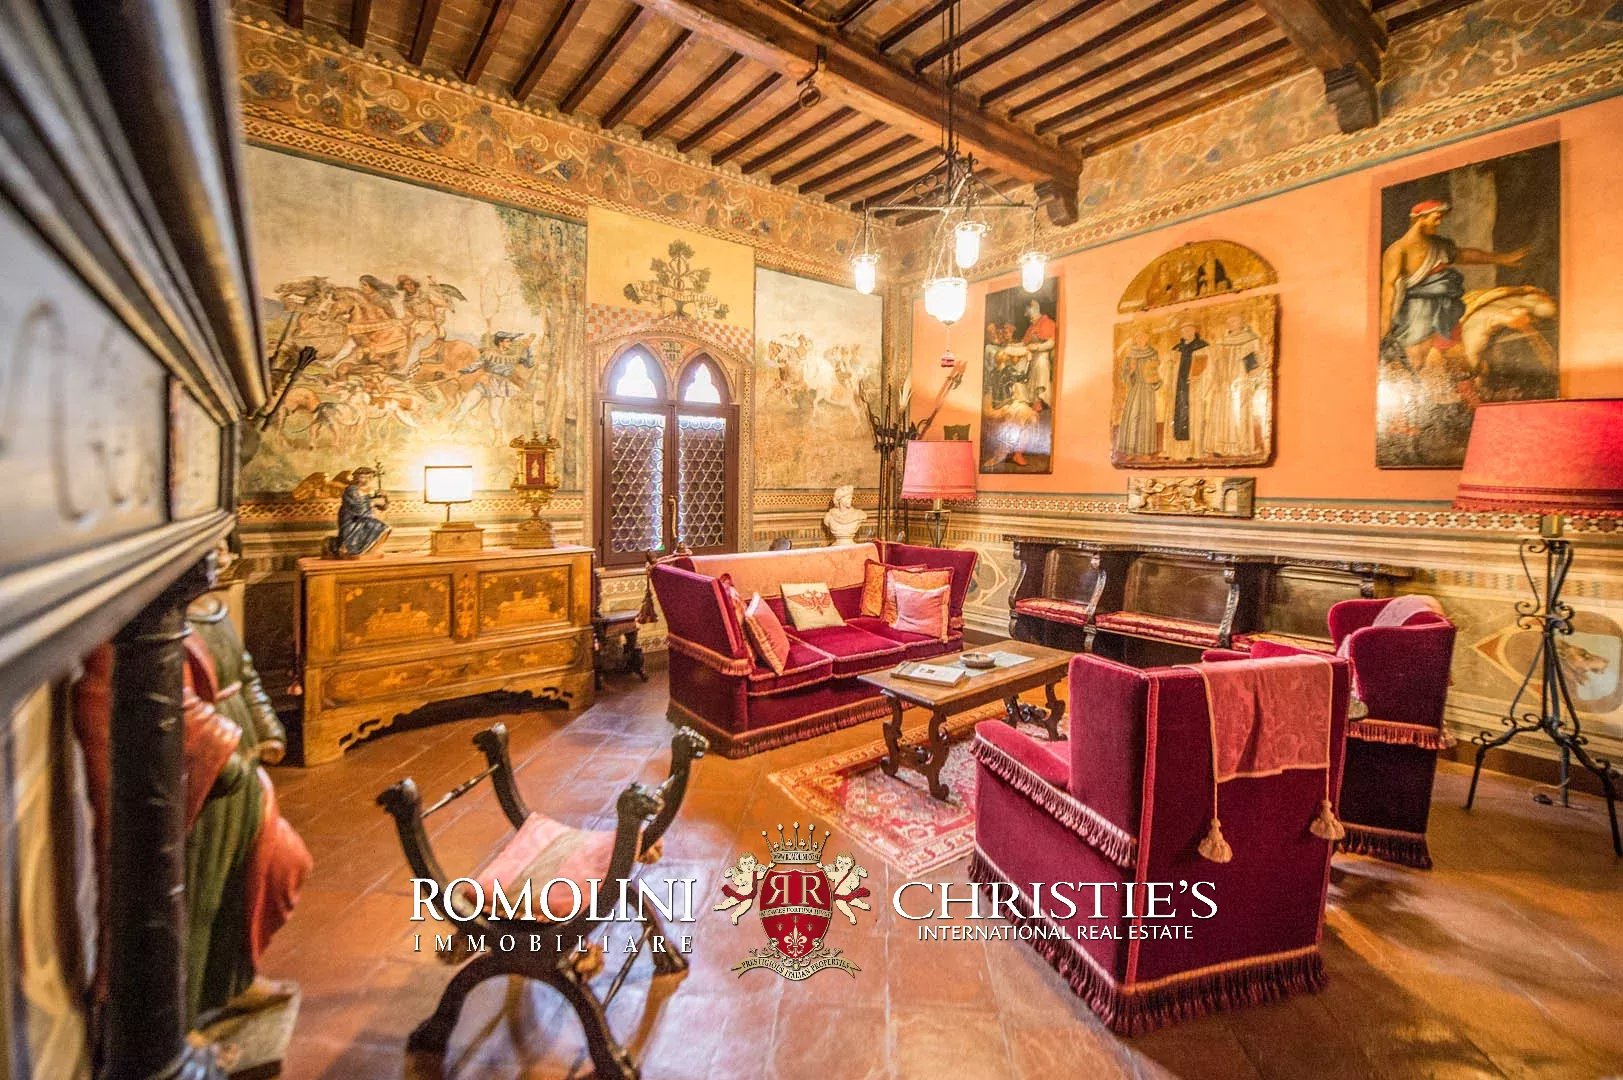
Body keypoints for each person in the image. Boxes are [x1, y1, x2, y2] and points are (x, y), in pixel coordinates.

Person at [1379, 199, 1528, 371]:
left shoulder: (1438, 244)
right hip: (1418, 312)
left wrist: (1500, 259)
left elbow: (1464, 256)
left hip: (1446, 309)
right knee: (1417, 360)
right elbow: (1389, 288)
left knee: (1457, 357)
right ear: (1421, 219)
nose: (1439, 222)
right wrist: (1385, 323)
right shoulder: (1398, 250)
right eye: (1436, 218)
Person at [1200, 312, 1263, 458]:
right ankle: (1219, 447)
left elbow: (1254, 365)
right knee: (1221, 412)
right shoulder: (1222, 341)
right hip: (1223, 381)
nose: (1231, 324)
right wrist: (1216, 371)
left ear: (1242, 322)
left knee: (1238, 413)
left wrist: (1247, 379)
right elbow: (1213, 362)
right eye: (1228, 322)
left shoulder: (1250, 340)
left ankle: (1241, 447)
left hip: (1239, 381)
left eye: (1234, 321)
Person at [1114, 332, 1162, 458]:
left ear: (1147, 338)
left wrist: (1154, 377)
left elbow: (1157, 371)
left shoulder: (1153, 353)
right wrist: (1131, 370)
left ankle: (1145, 451)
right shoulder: (1131, 355)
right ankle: (1131, 451)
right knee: (1133, 417)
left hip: (1148, 389)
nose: (1141, 339)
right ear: (1135, 339)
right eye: (1138, 337)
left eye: (1144, 336)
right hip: (1136, 387)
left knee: (1146, 418)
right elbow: (1124, 375)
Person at [335, 466, 389, 557]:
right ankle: (352, 550)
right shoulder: (351, 490)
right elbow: (357, 507)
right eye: (362, 477)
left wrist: (384, 497)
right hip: (352, 520)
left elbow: (383, 507)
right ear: (356, 478)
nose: (366, 480)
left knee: (385, 528)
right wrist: (373, 502)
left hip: (367, 518)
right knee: (377, 527)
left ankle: (370, 550)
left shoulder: (372, 490)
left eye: (369, 477)